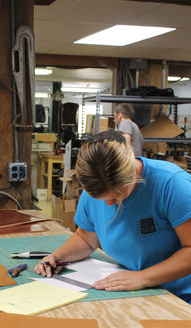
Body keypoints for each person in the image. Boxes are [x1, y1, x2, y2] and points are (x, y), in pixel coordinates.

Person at [34, 130, 191, 304]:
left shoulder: (172, 184)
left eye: (115, 197)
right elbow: (86, 238)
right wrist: (57, 257)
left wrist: (143, 278)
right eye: (101, 199)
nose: (108, 205)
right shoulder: (94, 189)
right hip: (134, 293)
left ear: (131, 174)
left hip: (180, 298)